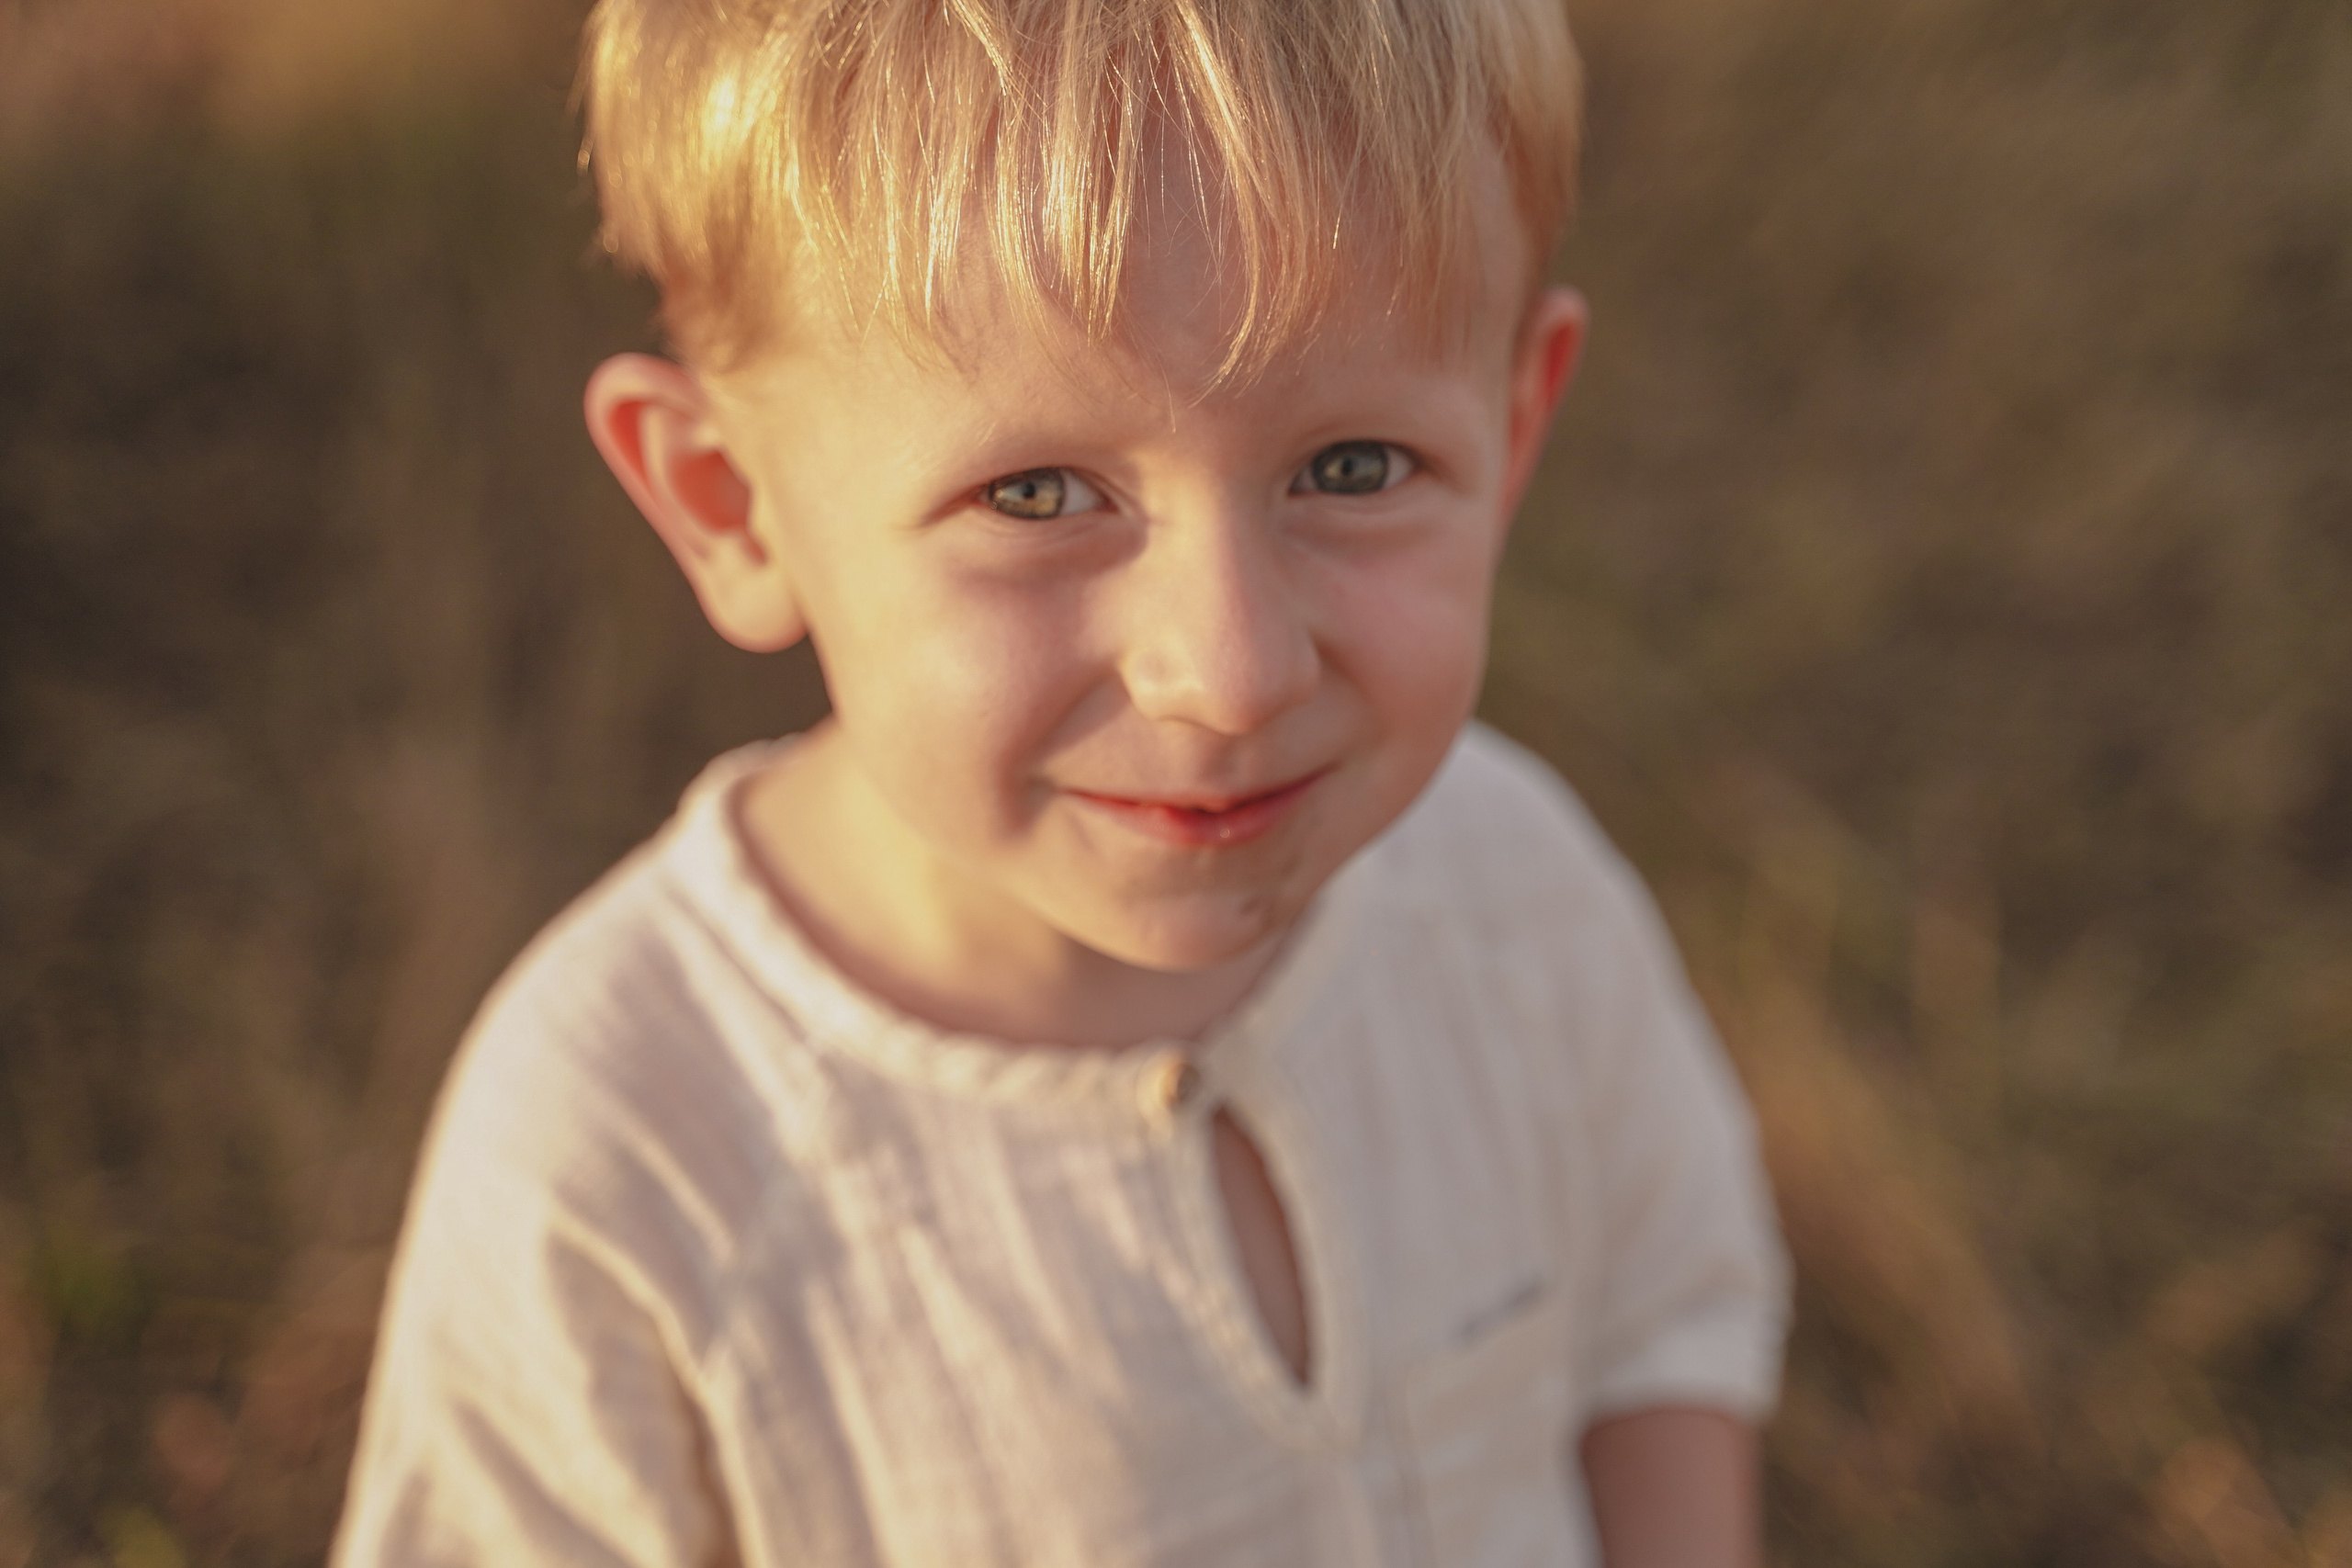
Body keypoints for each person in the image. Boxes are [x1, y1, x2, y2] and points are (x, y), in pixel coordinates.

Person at [331, 0, 1790, 1562]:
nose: (1231, 671)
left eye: (1352, 469)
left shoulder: (1510, 895)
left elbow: (1662, 1331)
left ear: (1512, 425)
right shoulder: (627, 1154)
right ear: (729, 503)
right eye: (1036, 494)